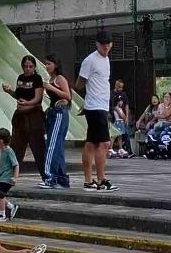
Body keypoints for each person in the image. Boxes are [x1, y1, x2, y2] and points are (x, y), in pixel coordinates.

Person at [77, 34, 114, 190]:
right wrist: (87, 100)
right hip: (95, 106)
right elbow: (79, 83)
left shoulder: (106, 60)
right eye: (103, 44)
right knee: (104, 143)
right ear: (97, 44)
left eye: (108, 44)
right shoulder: (90, 60)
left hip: (102, 106)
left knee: (91, 143)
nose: (105, 47)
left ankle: (88, 181)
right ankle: (101, 180)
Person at [1, 56, 47, 176]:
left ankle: (46, 175)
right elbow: (18, 96)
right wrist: (9, 91)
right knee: (16, 147)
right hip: (20, 118)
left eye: (30, 66)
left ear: (34, 67)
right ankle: (9, 174)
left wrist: (27, 104)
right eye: (26, 66)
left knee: (38, 149)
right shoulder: (20, 78)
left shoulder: (37, 78)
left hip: (33, 117)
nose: (28, 69)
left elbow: (38, 99)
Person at [41, 55, 72, 189]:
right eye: (45, 64)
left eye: (49, 64)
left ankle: (50, 177)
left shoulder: (60, 79)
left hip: (59, 114)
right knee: (57, 146)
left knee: (52, 146)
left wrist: (51, 87)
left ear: (55, 65)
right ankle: (62, 178)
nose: (47, 66)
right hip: (53, 112)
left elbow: (67, 95)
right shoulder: (52, 79)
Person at [0, 128, 19, 218]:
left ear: (1, 141)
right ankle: (11, 207)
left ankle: (2, 214)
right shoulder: (1, 150)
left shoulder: (9, 151)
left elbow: (16, 165)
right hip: (0, 177)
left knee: (0, 195)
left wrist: (15, 178)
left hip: (7, 178)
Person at [109, 82, 133, 157]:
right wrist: (122, 115)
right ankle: (110, 148)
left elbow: (126, 105)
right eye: (119, 87)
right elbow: (120, 114)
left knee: (121, 135)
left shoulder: (123, 94)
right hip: (116, 120)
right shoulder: (111, 94)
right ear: (116, 85)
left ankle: (121, 148)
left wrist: (127, 117)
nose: (120, 89)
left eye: (122, 87)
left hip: (121, 121)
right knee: (115, 134)